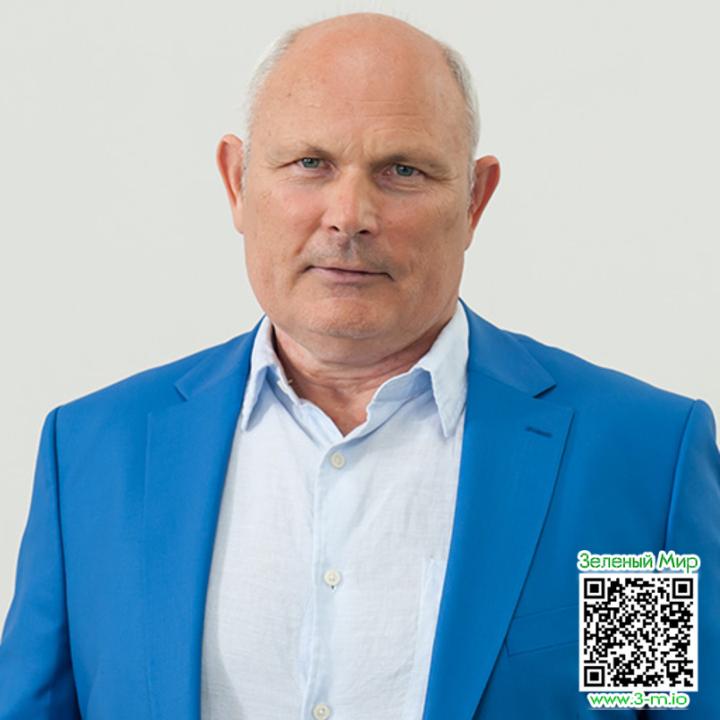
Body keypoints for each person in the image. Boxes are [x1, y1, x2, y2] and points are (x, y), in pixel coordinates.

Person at [1, 12, 718, 720]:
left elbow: (662, 707)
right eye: (310, 163)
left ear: (475, 200)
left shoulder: (631, 461)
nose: (349, 215)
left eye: (402, 170)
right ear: (236, 182)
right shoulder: (96, 452)